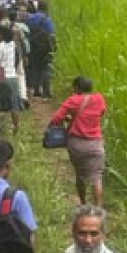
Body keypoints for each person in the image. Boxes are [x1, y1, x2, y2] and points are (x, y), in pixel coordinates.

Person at [49, 76, 108, 206]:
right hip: (96, 144)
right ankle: (98, 208)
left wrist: (67, 120)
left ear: (76, 88)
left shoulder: (73, 100)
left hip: (77, 144)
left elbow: (56, 119)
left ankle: (83, 203)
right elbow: (101, 112)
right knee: (97, 177)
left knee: (80, 175)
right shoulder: (99, 98)